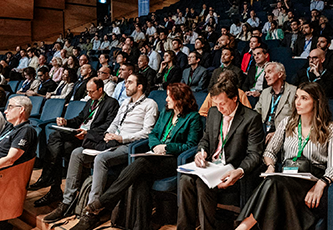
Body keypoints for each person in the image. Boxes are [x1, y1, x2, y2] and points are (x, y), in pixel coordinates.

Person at [67, 83, 202, 229]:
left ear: (179, 98)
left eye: (169, 96)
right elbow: (154, 134)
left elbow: (190, 145)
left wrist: (167, 147)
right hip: (155, 155)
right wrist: (156, 146)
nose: (166, 99)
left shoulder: (193, 117)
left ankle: (105, 201)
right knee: (140, 180)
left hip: (173, 159)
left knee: (141, 163)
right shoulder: (166, 113)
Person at [43, 74, 158, 225]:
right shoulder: (125, 103)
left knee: (101, 159)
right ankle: (67, 202)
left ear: (140, 86)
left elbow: (147, 133)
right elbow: (114, 124)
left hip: (128, 145)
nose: (125, 85)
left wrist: (121, 138)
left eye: (129, 82)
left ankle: (91, 211)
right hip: (112, 140)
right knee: (77, 153)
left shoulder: (150, 104)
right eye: (125, 82)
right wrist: (107, 134)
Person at [236, 82, 333, 230]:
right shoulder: (287, 122)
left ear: (316, 101)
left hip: (311, 180)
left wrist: (320, 184)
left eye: (304, 98)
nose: (297, 102)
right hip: (287, 176)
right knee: (273, 184)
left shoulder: (329, 128)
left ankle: (242, 228)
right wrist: (270, 166)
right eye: (296, 97)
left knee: (273, 185)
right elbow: (269, 151)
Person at [177, 76, 264, 230]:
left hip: (231, 169)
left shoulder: (251, 118)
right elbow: (205, 140)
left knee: (201, 183)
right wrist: (201, 152)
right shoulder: (213, 113)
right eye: (216, 104)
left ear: (235, 98)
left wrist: (239, 171)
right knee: (185, 180)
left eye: (222, 104)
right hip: (211, 165)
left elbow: (254, 154)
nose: (219, 108)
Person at [29, 78, 120, 207]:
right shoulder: (90, 101)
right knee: (56, 136)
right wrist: (66, 122)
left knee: (62, 146)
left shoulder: (111, 103)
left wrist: (88, 134)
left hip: (92, 137)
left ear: (100, 89)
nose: (89, 94)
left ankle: (50, 182)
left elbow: (108, 125)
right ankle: (53, 185)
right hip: (79, 134)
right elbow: (80, 118)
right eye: (87, 91)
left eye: (92, 91)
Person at [255, 62, 296, 144]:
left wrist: (278, 133)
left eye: (269, 72)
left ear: (280, 74)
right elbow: (256, 112)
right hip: (263, 132)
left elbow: (297, 119)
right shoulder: (265, 92)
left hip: (284, 134)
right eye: (265, 73)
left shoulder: (294, 92)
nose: (266, 76)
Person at [0, 96, 37, 169]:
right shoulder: (10, 126)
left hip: (6, 173)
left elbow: (10, 160)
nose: (5, 111)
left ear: (21, 109)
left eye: (10, 107)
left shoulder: (25, 130)